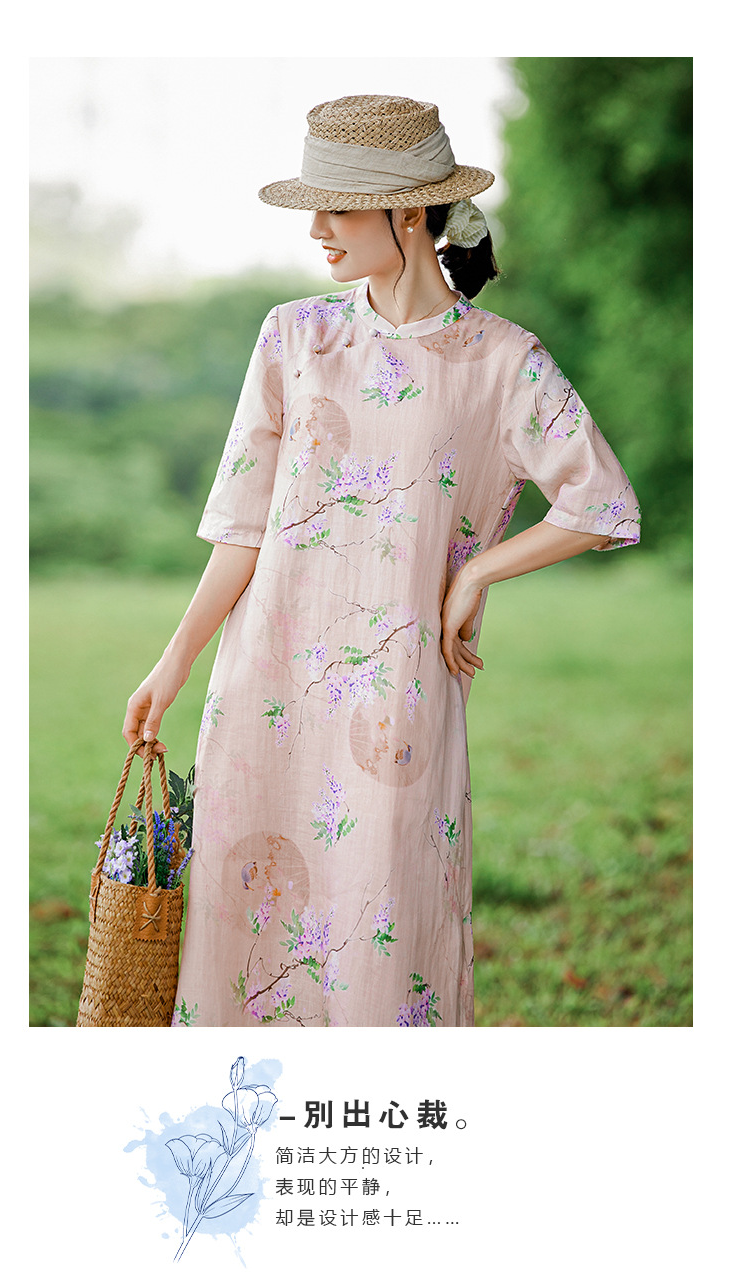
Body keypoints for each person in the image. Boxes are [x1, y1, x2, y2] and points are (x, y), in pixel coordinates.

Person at [123, 94, 641, 1028]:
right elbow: (243, 525)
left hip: (398, 709)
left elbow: (602, 503)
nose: (316, 230)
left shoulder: (503, 363)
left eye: (336, 207)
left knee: (385, 929)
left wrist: (476, 572)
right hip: (265, 687)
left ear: (407, 212)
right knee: (244, 942)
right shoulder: (293, 337)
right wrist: (175, 660)